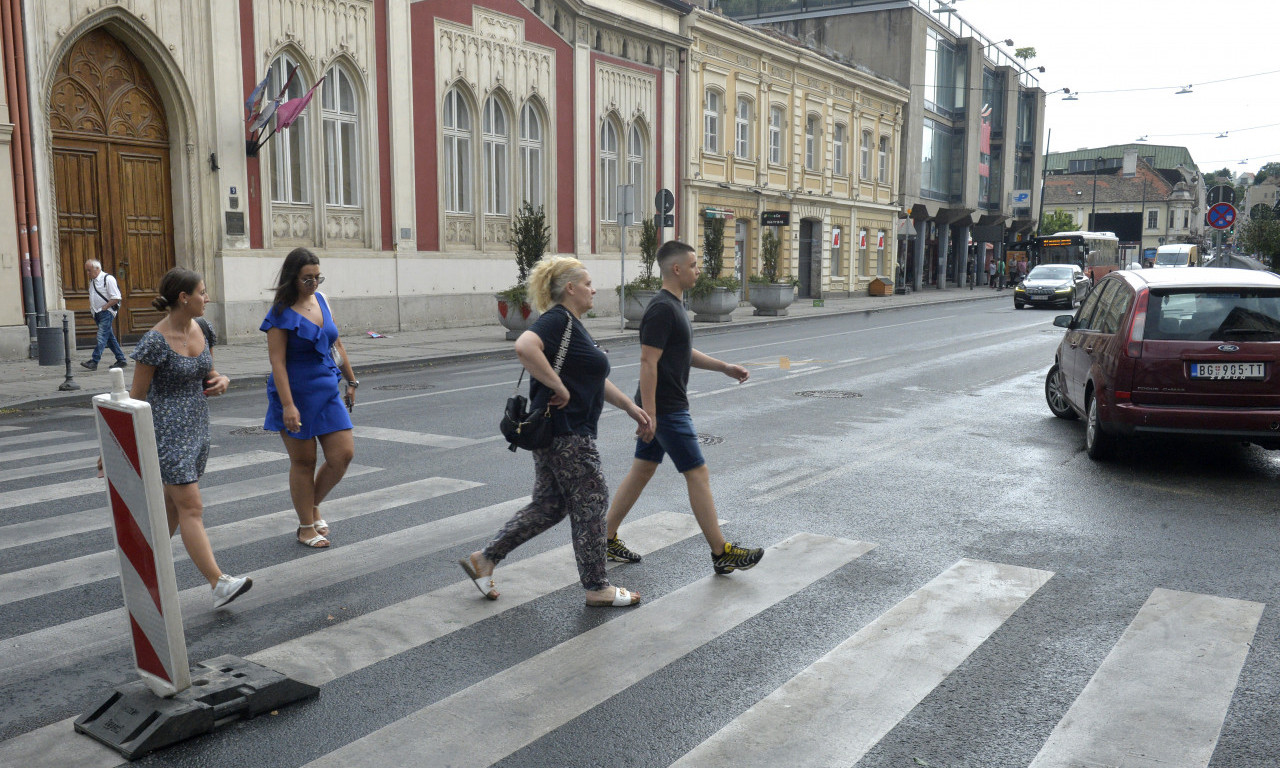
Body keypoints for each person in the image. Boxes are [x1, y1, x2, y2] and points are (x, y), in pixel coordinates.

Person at [459, 256, 650, 607]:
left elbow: (593, 378)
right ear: (571, 288)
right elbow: (524, 346)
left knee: (549, 506)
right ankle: (597, 587)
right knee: (592, 503)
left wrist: (629, 407)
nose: (594, 290)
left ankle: (485, 558)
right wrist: (559, 387)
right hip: (568, 434)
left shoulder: (574, 325)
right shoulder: (557, 320)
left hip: (559, 435)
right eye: (588, 283)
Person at [603, 240, 764, 574]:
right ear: (676, 269)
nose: (698, 269)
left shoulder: (674, 306)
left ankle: (602, 538)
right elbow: (648, 362)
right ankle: (721, 551)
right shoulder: (662, 308)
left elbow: (680, 352)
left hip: (663, 405)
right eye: (693, 264)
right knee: (697, 472)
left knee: (642, 470)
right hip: (666, 408)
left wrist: (724, 367)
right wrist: (651, 415)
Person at [127, 268, 252, 608]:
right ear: (184, 298)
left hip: (197, 429)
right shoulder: (154, 341)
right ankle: (218, 583)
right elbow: (135, 397)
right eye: (202, 292)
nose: (207, 297)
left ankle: (142, 566)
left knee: (172, 507)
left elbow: (209, 372)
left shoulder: (204, 329)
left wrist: (221, 380)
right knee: (191, 507)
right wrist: (114, 442)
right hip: (166, 434)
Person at [262, 248, 357, 549]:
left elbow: (335, 343)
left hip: (327, 387)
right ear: (293, 278)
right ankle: (306, 526)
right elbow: (277, 362)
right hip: (295, 391)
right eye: (307, 279)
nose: (314, 283)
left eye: (317, 277)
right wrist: (288, 405)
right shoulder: (279, 313)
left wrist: (351, 380)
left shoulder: (322, 300)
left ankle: (312, 505)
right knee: (304, 461)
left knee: (342, 455)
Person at [82, 259, 129, 371]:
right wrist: (94, 310)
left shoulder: (108, 279)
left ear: (97, 269)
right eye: (87, 271)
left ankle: (94, 361)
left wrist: (105, 307)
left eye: (89, 270)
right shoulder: (92, 281)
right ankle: (121, 359)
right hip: (97, 312)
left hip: (106, 312)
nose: (87, 273)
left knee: (102, 336)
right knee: (109, 338)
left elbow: (116, 297)